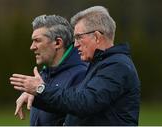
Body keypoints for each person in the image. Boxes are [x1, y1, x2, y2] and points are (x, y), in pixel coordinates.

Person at [10, 6, 140, 126]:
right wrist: (37, 95)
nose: (75, 44)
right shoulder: (101, 64)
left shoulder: (117, 65)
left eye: (79, 37)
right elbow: (71, 101)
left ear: (96, 36)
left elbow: (85, 103)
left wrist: (40, 89)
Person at [10, 15, 88, 125]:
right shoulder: (45, 73)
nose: (32, 47)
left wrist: (40, 90)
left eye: (37, 41)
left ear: (57, 43)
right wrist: (33, 92)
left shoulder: (81, 75)